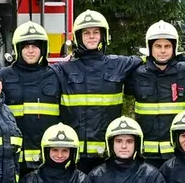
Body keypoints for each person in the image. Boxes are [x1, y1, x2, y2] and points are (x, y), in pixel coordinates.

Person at [54, 10, 142, 172]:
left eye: (96, 32)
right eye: (87, 33)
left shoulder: (118, 64)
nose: (92, 36)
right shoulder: (64, 68)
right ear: (78, 37)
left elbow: (151, 61)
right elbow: (36, 73)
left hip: (107, 154)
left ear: (103, 36)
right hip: (74, 154)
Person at [130, 21, 185, 168]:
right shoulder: (137, 74)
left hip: (178, 153)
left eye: (167, 46)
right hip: (146, 155)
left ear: (174, 48)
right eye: (158, 46)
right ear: (150, 48)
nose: (163, 51)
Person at [1, 21, 61, 171]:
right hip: (13, 158)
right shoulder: (3, 76)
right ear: (18, 49)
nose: (31, 51)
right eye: (26, 46)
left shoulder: (56, 75)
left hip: (46, 157)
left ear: (43, 49)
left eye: (35, 46)